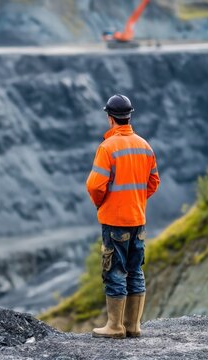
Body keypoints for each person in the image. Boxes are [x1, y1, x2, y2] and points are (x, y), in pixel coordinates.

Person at [86, 94, 160, 339]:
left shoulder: (107, 148)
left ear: (110, 119)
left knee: (115, 271)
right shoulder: (145, 145)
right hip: (138, 219)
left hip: (115, 220)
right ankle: (133, 326)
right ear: (129, 117)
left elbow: (95, 186)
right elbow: (153, 182)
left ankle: (115, 327)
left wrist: (103, 204)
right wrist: (136, 200)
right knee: (135, 270)